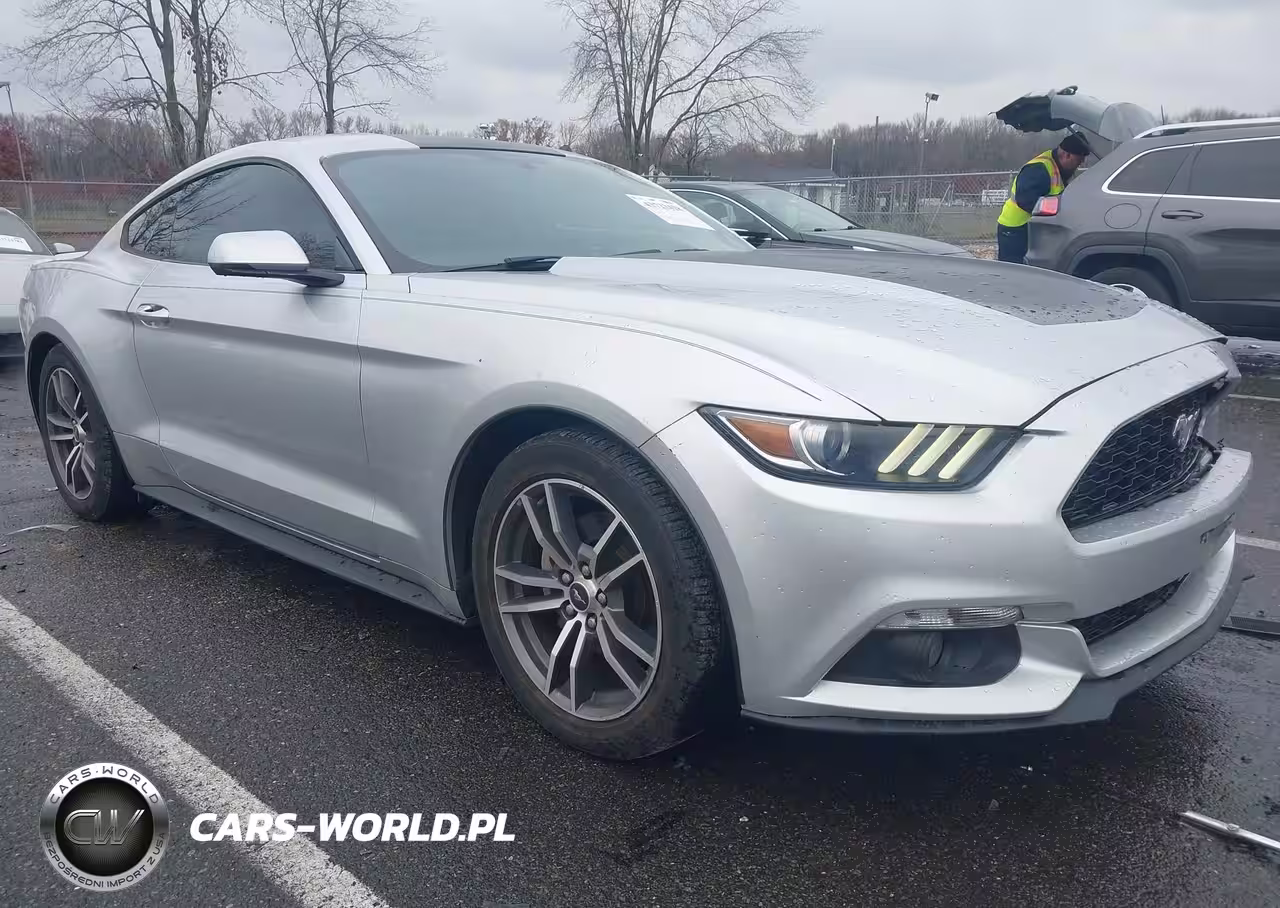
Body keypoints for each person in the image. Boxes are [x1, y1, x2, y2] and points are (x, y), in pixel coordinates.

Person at [996, 133, 1092, 264]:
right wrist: (1058, 214)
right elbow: (1026, 200)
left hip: (1031, 229)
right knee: (1014, 270)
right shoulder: (1038, 168)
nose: (1080, 164)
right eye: (1078, 160)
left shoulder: (1058, 168)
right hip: (1016, 229)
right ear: (1066, 155)